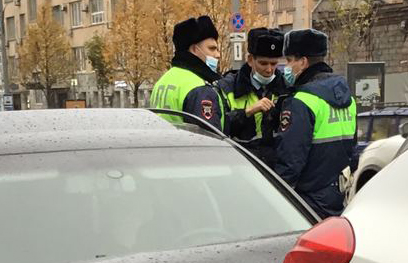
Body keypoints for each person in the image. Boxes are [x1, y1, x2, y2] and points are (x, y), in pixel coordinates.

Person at [273, 29, 357, 218]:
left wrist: (277, 201)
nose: (287, 66)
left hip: (308, 202)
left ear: (302, 62)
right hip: (338, 196)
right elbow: (353, 152)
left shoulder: (301, 101)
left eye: (289, 60)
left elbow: (290, 160)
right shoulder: (348, 98)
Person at [218, 28, 287, 166]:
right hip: (240, 166)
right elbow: (218, 127)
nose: (269, 70)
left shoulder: (285, 89)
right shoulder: (227, 87)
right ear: (250, 60)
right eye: (263, 63)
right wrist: (247, 112)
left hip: (273, 170)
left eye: (274, 64)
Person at [150, 15, 228, 131]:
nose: (218, 55)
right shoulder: (200, 88)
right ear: (195, 50)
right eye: (212, 49)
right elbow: (209, 140)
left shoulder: (162, 81)